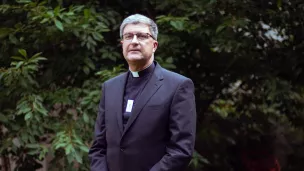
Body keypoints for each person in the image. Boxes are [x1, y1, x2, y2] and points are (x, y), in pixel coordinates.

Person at [88, 14, 196, 171]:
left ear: (154, 45)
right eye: (128, 36)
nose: (134, 41)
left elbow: (181, 149)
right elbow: (98, 146)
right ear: (122, 44)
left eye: (142, 36)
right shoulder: (110, 87)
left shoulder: (178, 86)